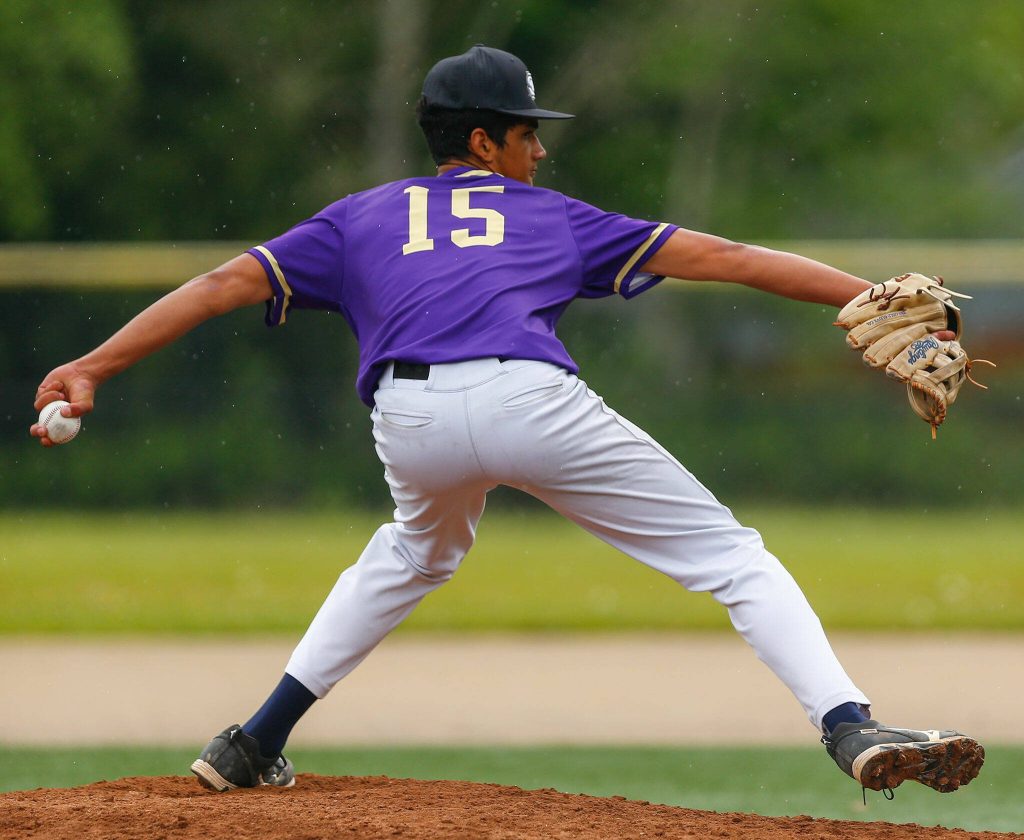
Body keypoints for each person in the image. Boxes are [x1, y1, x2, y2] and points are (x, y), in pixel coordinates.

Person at [32, 44, 983, 797]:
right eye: (527, 133)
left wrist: (90, 366)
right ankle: (848, 723)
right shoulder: (552, 216)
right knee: (732, 559)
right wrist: (865, 294)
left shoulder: (358, 217)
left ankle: (252, 743)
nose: (540, 149)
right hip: (531, 399)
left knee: (413, 553)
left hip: (407, 418)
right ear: (483, 142)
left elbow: (216, 286)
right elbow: (727, 255)